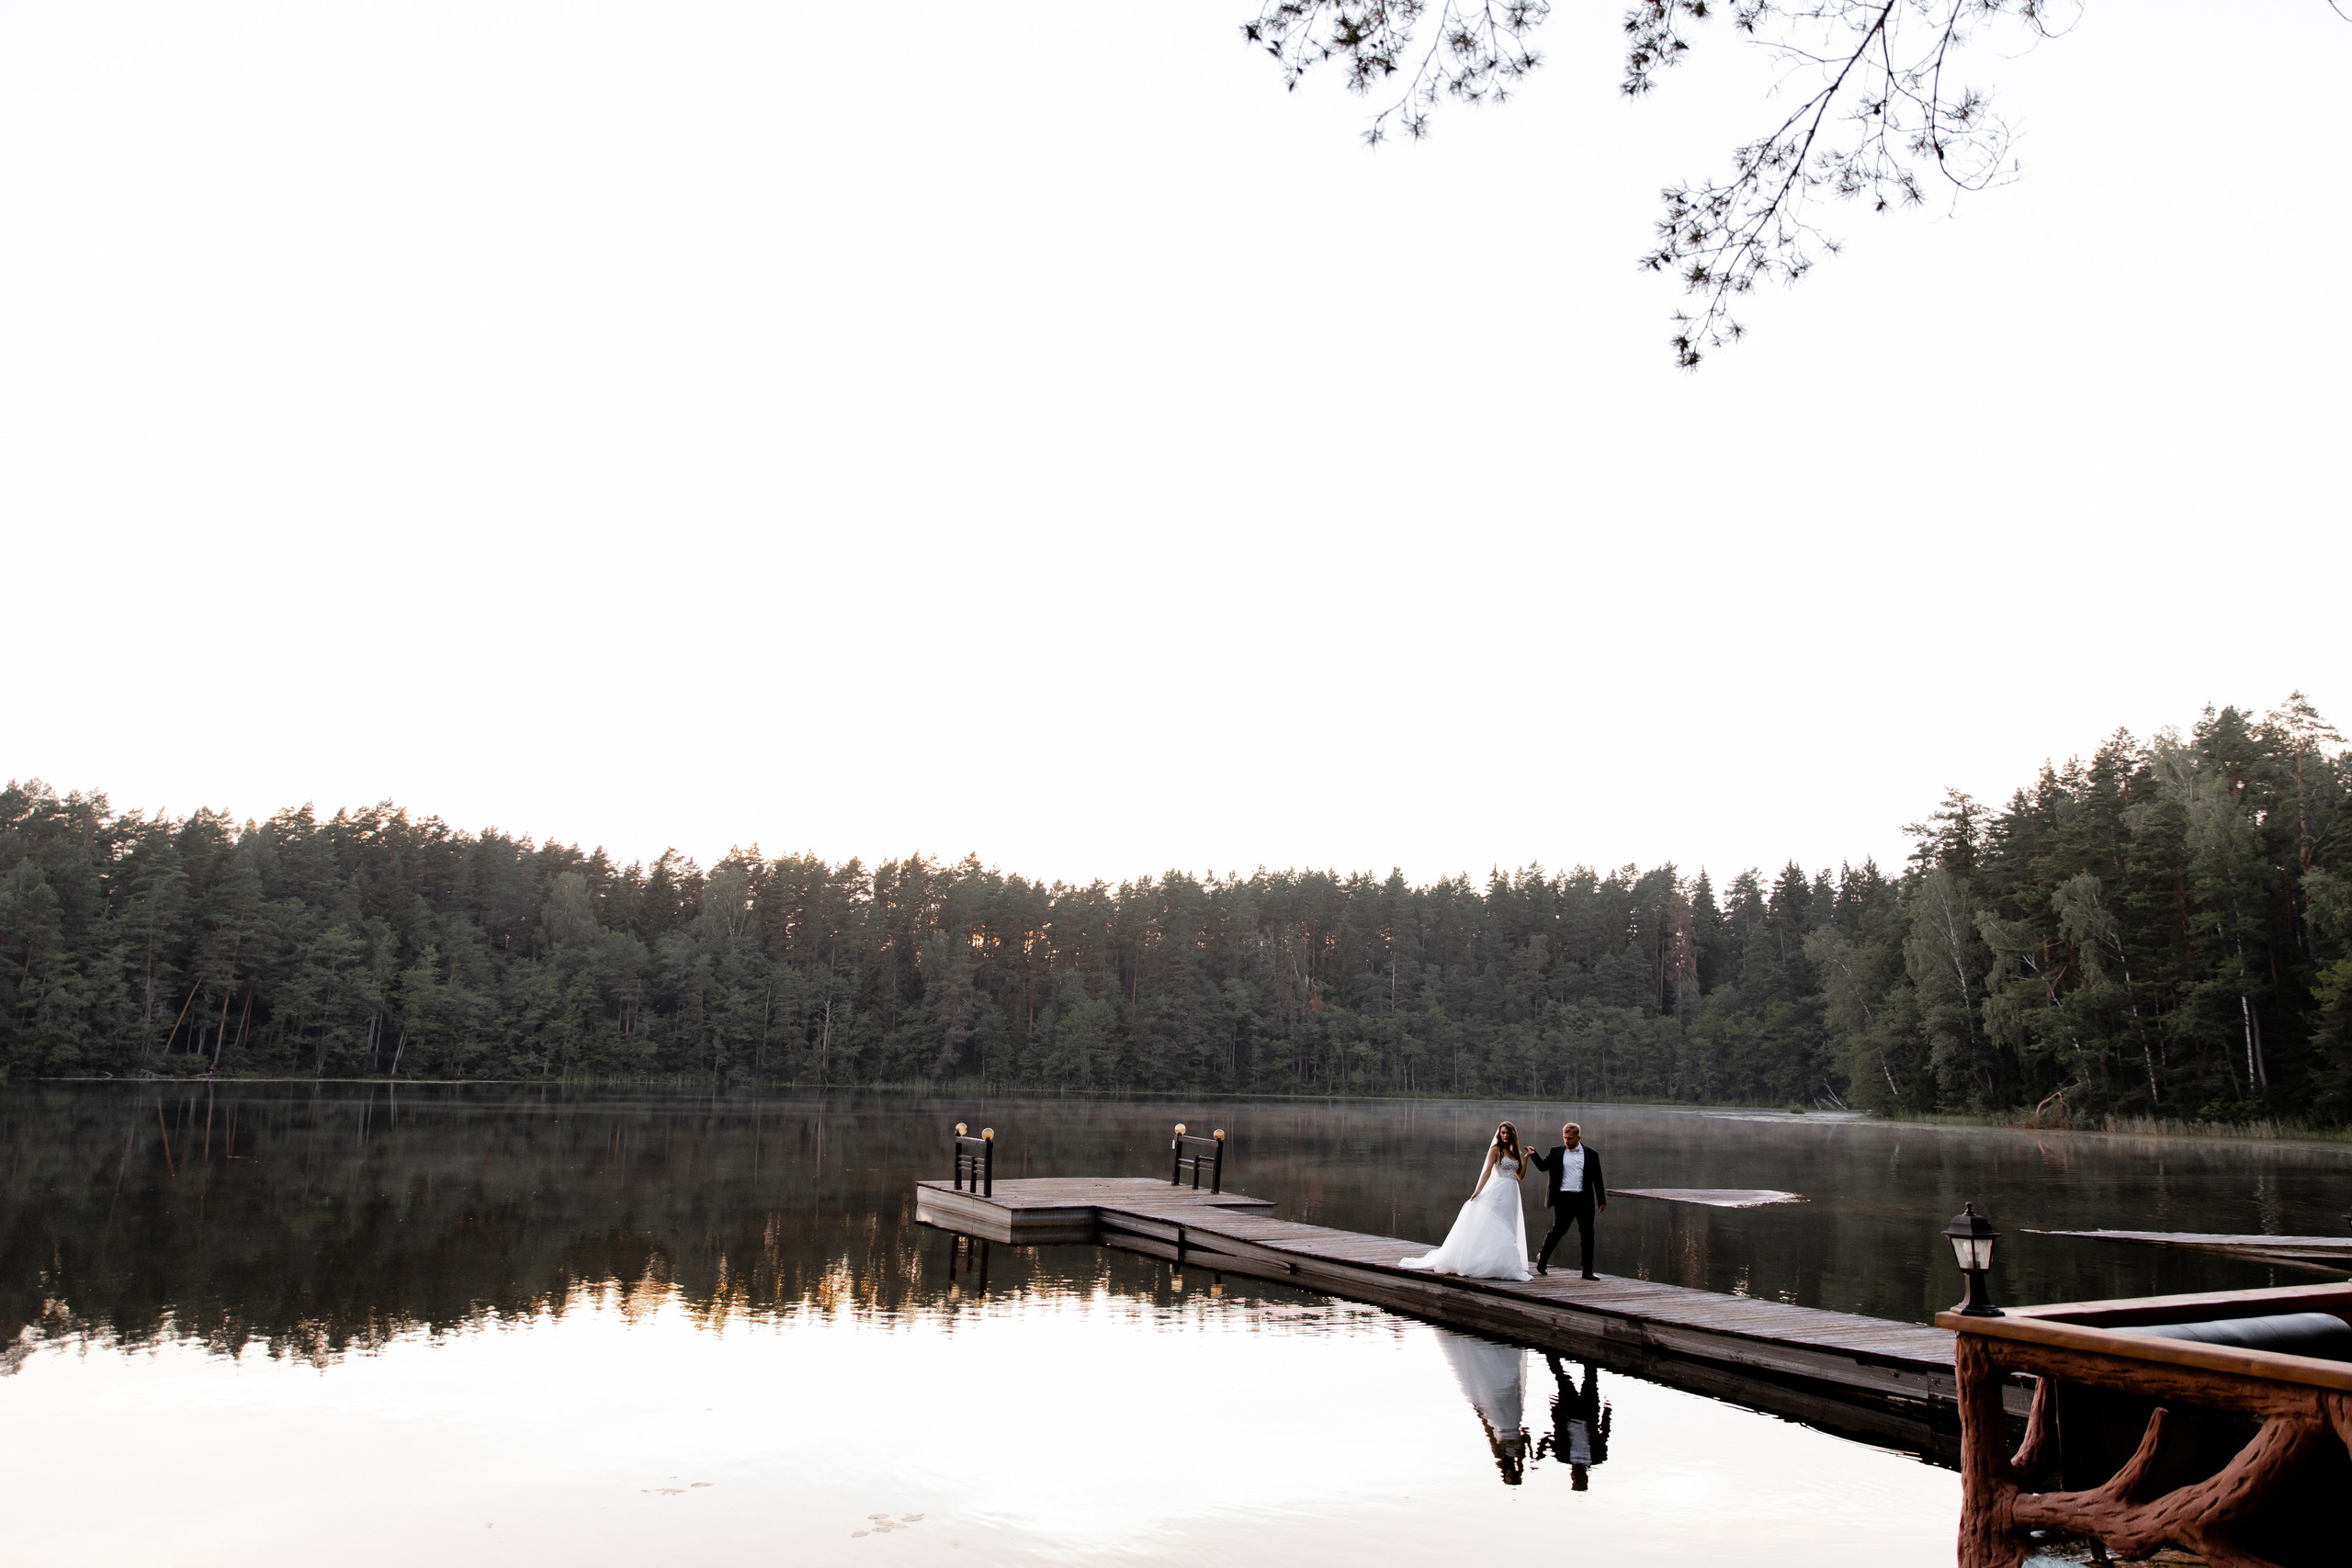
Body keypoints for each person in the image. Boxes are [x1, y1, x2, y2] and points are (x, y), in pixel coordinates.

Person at [1399, 1122, 1534, 1281]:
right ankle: (1493, 1263)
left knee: (1509, 1226)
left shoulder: (1515, 1152)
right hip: (1498, 1191)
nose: (1505, 1135)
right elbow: (1486, 1172)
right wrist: (1478, 1191)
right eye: (1503, 1133)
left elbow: (1520, 1176)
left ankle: (1500, 1263)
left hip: (1512, 1192)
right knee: (1498, 1226)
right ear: (1499, 1134)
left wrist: (1526, 1158)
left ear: (1512, 1135)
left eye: (1508, 1133)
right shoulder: (1495, 1150)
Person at [1526, 1121, 1606, 1279]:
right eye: (1564, 1138)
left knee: (1588, 1235)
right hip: (1564, 1198)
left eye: (1570, 1138)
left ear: (1578, 1138)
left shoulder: (1591, 1154)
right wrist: (1533, 1155)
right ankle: (1542, 1259)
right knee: (1558, 1231)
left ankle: (1587, 1272)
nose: (1566, 1141)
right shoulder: (1556, 1152)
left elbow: (1598, 1178)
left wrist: (1601, 1200)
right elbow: (1543, 1167)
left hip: (1584, 1199)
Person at [1534, 1354, 1611, 1491]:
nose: (1574, 1476)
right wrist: (1607, 1412)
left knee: (1561, 1377)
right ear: (1586, 1477)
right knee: (1590, 1377)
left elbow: (1549, 1440)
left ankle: (1550, 1350)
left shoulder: (1562, 1456)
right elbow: (1604, 1433)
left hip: (1568, 1412)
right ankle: (1588, 1349)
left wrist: (1540, 1452)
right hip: (1589, 1412)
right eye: (1578, 1479)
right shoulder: (1599, 1456)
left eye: (1574, 1479)